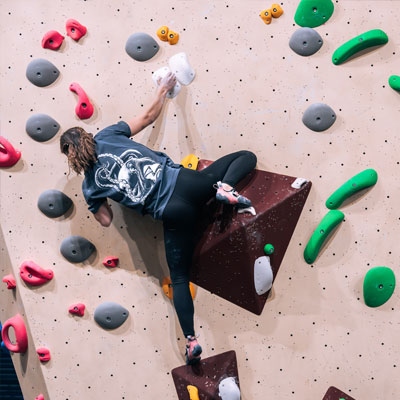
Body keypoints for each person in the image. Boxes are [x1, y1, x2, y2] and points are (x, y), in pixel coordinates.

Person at [60, 72, 257, 365]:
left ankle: (191, 340)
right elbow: (148, 116)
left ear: (70, 155)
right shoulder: (107, 135)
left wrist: (103, 199)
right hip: (185, 182)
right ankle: (223, 188)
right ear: (86, 136)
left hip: (170, 214)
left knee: (179, 277)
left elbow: (104, 220)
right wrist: (163, 89)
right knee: (245, 156)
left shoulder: (90, 186)